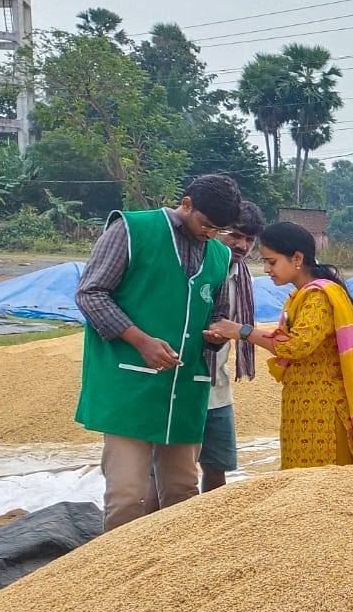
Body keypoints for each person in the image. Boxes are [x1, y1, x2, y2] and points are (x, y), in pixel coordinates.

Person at [75, 174, 241, 531]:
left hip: (185, 390)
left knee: (182, 492)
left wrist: (215, 335)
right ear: (186, 204)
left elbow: (217, 314)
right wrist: (141, 341)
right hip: (129, 386)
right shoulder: (132, 231)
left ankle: (172, 579)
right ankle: (118, 577)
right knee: (126, 494)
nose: (210, 234)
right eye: (205, 225)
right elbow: (90, 293)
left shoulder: (220, 255)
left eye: (218, 230)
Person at [209, 222, 353, 470]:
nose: (266, 269)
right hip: (304, 404)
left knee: (325, 483)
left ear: (297, 258)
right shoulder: (302, 295)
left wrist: (242, 331)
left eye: (271, 262)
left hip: (324, 410)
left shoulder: (317, 296)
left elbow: (296, 345)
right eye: (264, 262)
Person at [199, 200, 265, 492]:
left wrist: (232, 333)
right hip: (181, 382)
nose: (242, 245)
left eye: (249, 239)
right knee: (167, 471)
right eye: (235, 235)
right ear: (215, 230)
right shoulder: (195, 269)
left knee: (218, 465)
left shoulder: (242, 277)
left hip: (218, 385)